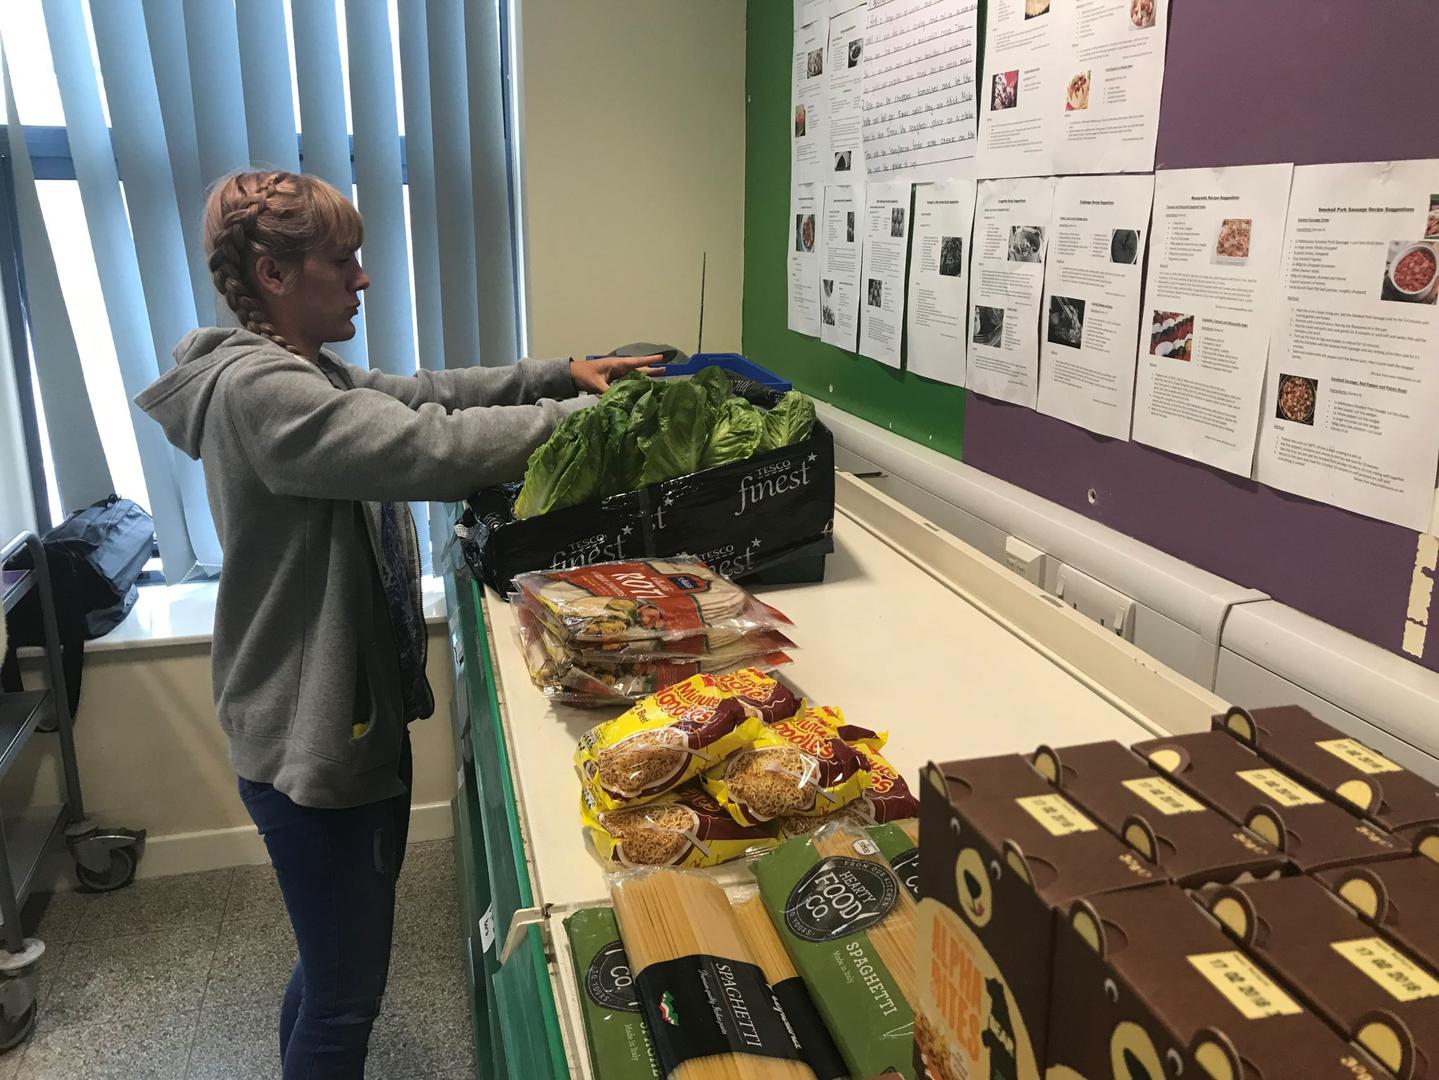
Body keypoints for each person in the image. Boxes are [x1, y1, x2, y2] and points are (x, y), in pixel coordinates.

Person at [136, 170, 656, 1079]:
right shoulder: (265, 391)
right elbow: (427, 448)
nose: (362, 279)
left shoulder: (304, 370)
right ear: (271, 273)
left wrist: (554, 373)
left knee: (329, 959)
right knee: (347, 995)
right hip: (310, 732)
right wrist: (593, 423)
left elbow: (421, 396)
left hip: (318, 715)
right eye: (343, 261)